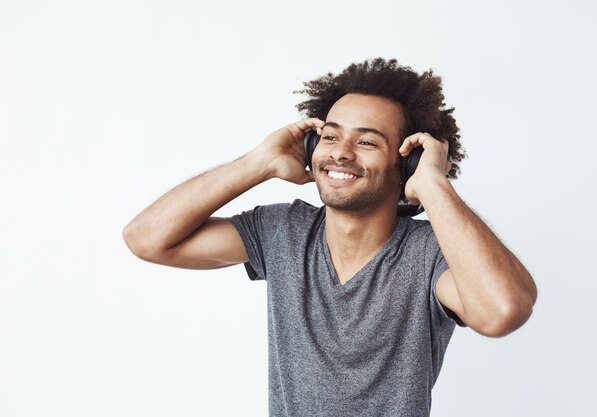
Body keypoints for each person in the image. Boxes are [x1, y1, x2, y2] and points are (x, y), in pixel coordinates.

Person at [123, 58, 537, 417]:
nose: (341, 153)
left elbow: (502, 311)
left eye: (367, 142)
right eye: (331, 136)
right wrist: (258, 163)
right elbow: (148, 239)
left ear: (406, 162)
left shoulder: (430, 254)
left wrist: (433, 185)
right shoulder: (282, 232)